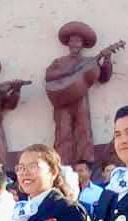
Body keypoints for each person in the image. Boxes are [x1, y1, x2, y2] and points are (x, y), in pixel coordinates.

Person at [45, 21, 115, 165]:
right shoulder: (59, 62)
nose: (75, 44)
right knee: (63, 132)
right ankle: (61, 165)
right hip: (62, 100)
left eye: (78, 41)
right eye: (72, 41)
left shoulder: (89, 61)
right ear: (68, 44)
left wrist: (107, 59)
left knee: (83, 130)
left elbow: (103, 78)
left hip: (80, 99)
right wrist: (70, 71)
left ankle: (85, 164)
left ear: (82, 45)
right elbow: (49, 76)